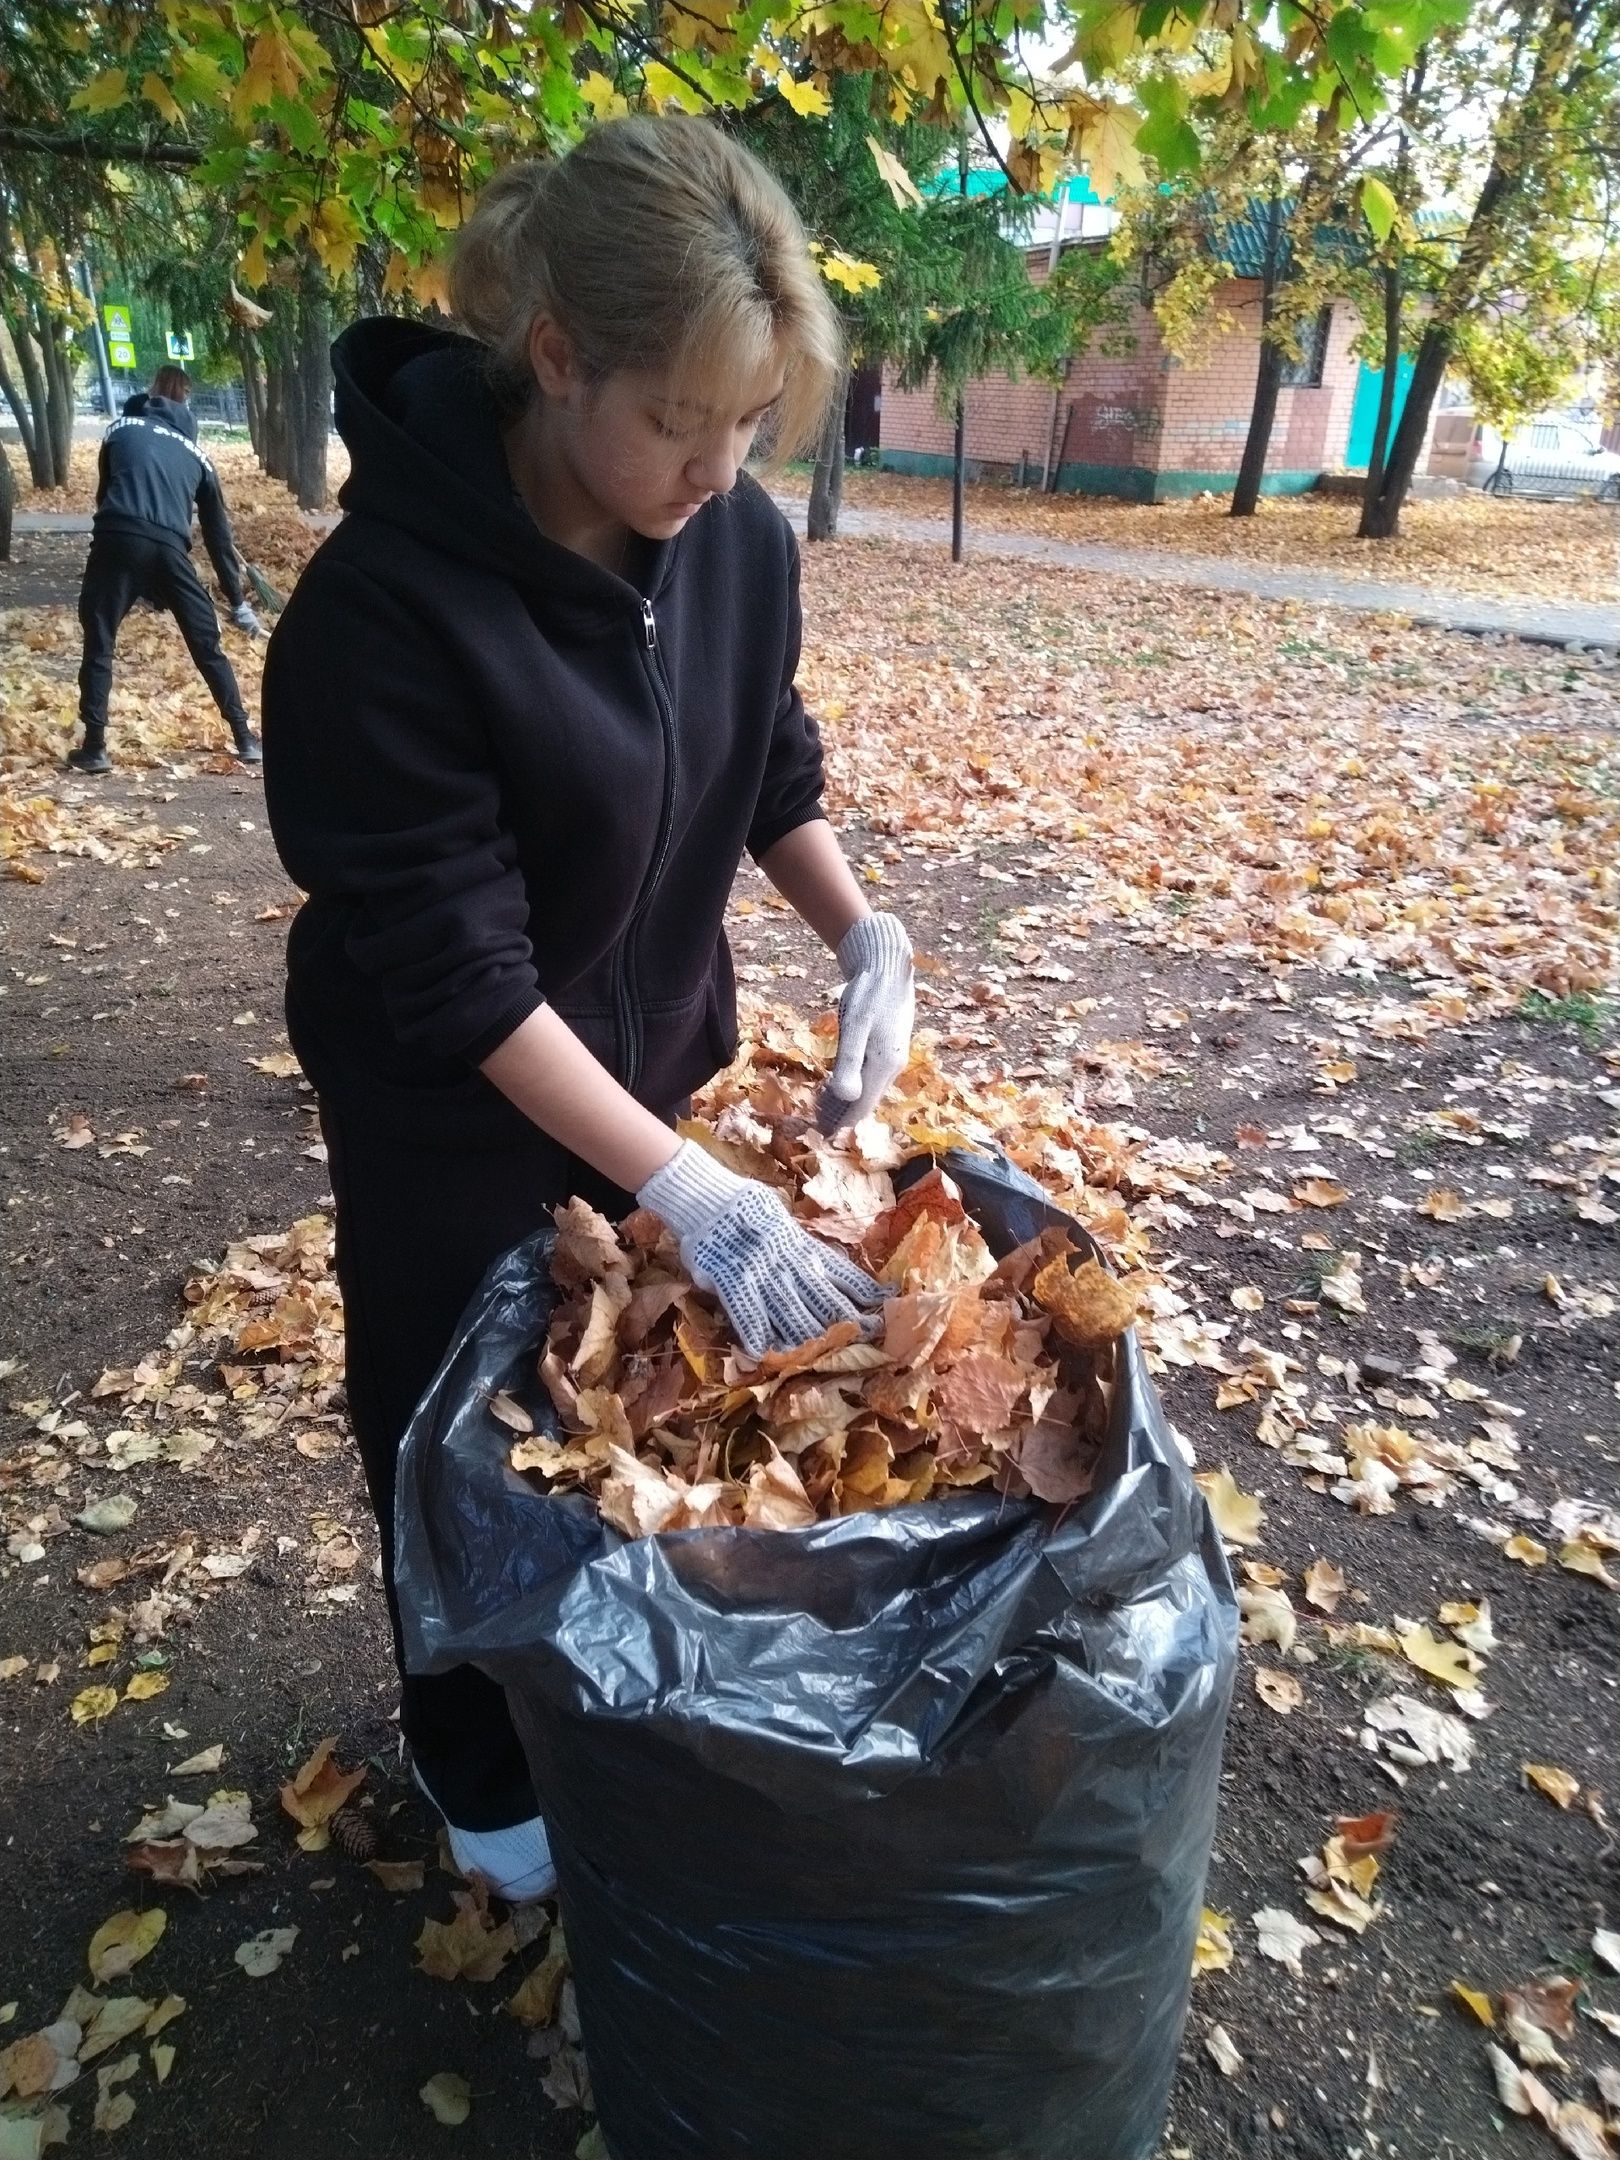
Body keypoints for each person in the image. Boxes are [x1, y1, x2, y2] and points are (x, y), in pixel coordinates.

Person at [261, 118, 916, 1903]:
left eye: (753, 425)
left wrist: (858, 930)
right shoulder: (383, 616)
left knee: (638, 1420)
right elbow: (462, 972)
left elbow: (765, 756)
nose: (718, 468)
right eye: (678, 421)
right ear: (558, 361)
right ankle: (470, 1749)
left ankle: (621, 1708)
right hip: (451, 1120)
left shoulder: (729, 541)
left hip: (653, 1068)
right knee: (457, 1429)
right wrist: (692, 1190)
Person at [69, 364, 264, 774]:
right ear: (188, 406)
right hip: (170, 549)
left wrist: (119, 563)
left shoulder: (119, 430)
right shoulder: (199, 456)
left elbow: (106, 496)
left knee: (100, 637)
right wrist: (237, 601)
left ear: (150, 395)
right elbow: (218, 537)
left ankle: (95, 747)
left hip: (117, 536)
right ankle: (245, 738)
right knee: (207, 646)